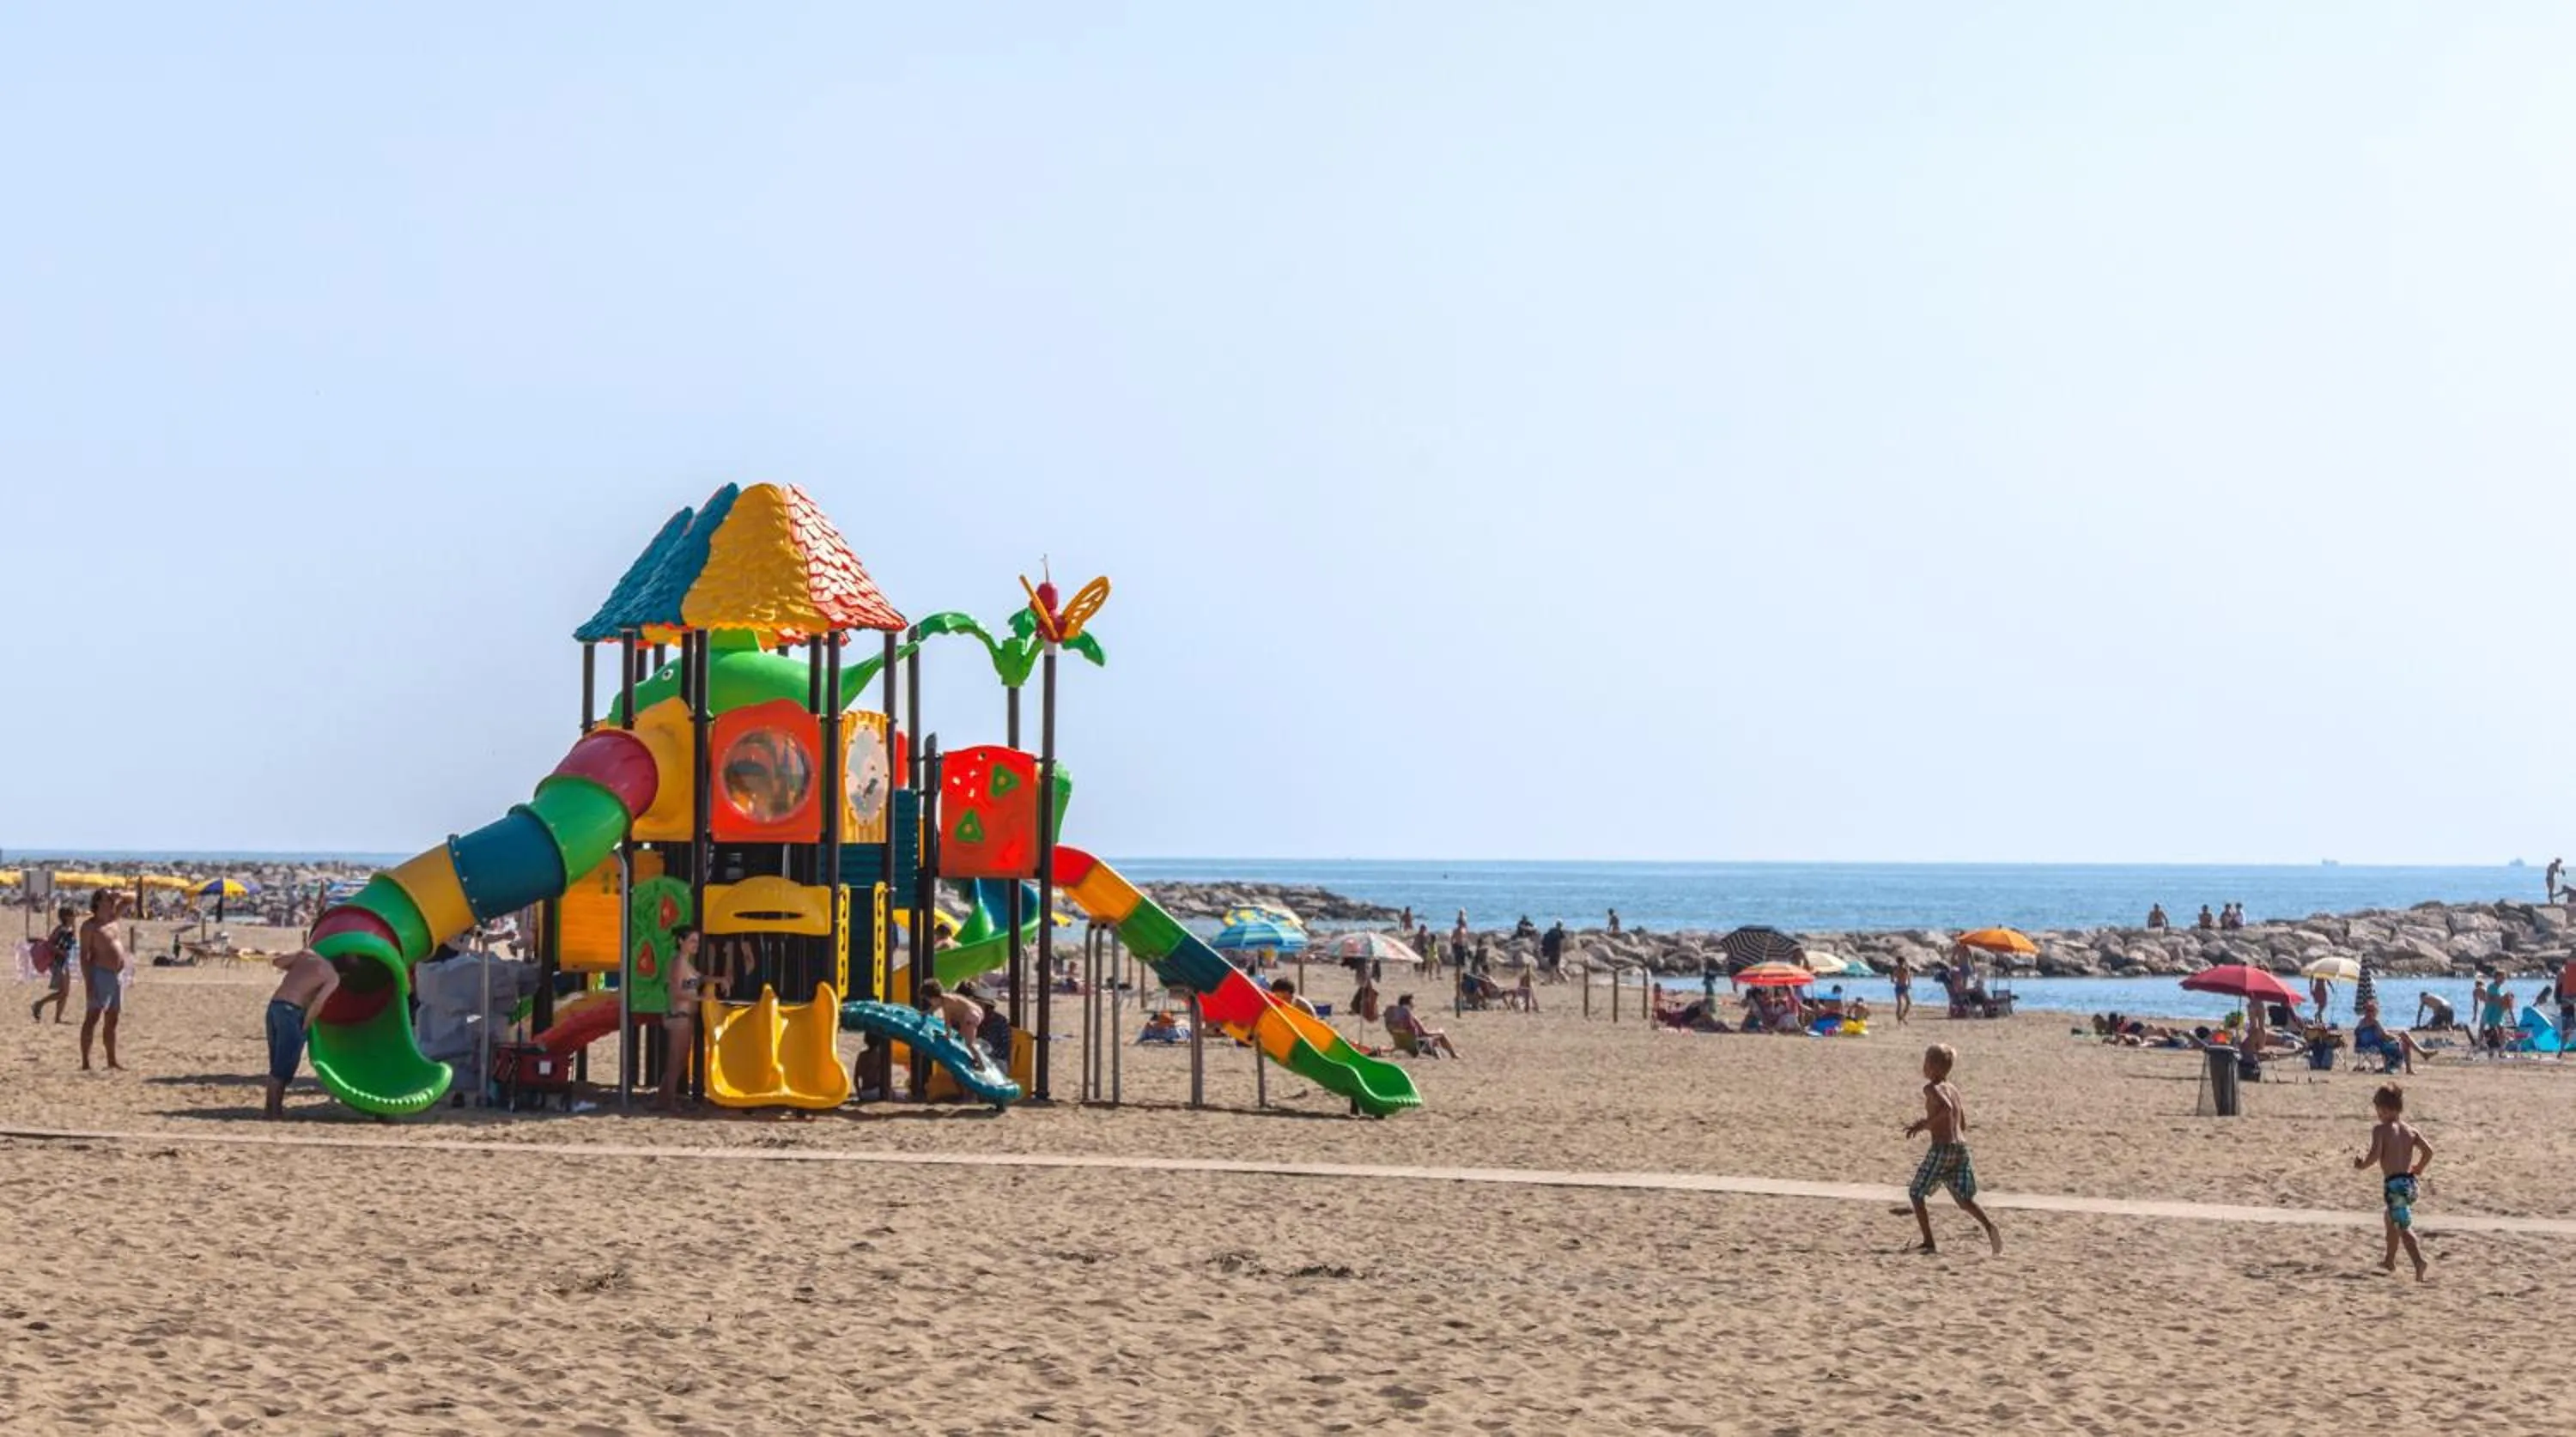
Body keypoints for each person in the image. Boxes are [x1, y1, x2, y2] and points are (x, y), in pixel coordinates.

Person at [1901, 1044, 2001, 1255]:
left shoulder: (1931, 1088)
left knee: (1916, 1193)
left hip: (1942, 1148)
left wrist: (1925, 1125)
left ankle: (1929, 1242)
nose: (1923, 1067)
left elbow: (1946, 1109)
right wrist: (1937, 1125)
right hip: (1960, 1148)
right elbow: (1962, 1123)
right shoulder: (1954, 1089)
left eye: (1926, 1063)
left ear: (1934, 1068)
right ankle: (1989, 1226)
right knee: (1963, 1199)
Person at [2354, 1082, 2433, 1281]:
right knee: (2390, 1218)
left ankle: (2418, 1261)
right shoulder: (2410, 1131)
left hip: (2395, 1185)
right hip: (2410, 1183)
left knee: (2402, 1226)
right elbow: (2429, 1151)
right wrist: (2420, 1167)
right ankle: (2389, 1260)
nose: (2377, 1114)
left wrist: (2362, 1165)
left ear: (2385, 1109)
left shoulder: (2381, 1131)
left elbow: (2374, 1156)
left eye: (2378, 1110)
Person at [262, 949, 341, 1119]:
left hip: (274, 1006)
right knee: (285, 1064)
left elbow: (277, 962)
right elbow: (318, 1003)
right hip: (292, 1011)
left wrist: (298, 963)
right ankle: (274, 1112)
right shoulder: (332, 976)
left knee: (276, 1061)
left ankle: (270, 1108)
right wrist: (306, 1025)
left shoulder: (308, 955)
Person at [658, 924, 716, 1112]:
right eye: (692, 941)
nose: (695, 944)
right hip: (679, 1016)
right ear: (681, 941)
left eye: (697, 941)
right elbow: (677, 992)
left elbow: (700, 978)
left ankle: (663, 1098)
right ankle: (669, 1101)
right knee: (675, 1061)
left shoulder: (687, 963)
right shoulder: (677, 963)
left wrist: (720, 980)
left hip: (685, 1017)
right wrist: (701, 997)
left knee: (680, 1061)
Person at [78, 889, 129, 1071]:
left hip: (117, 976)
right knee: (92, 1017)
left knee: (113, 1018)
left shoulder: (113, 919)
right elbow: (84, 956)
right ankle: (85, 1062)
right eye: (107, 899)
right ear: (98, 902)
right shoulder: (90, 926)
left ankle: (111, 1060)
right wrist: (89, 982)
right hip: (100, 974)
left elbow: (133, 898)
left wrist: (118, 894)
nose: (111, 901)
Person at [30, 902, 76, 1024]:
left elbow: (73, 942)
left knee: (65, 992)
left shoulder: (68, 929)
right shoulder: (60, 930)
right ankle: (39, 1004)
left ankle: (58, 1018)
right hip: (57, 962)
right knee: (63, 992)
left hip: (64, 961)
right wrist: (60, 952)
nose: (74, 917)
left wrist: (74, 925)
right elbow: (50, 944)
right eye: (72, 915)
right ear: (66, 916)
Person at [2351, 1001, 2426, 1075]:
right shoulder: (2374, 1021)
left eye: (2371, 1010)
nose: (2370, 1012)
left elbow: (2361, 1034)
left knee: (2404, 1036)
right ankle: (2410, 1067)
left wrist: (2393, 1036)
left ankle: (2422, 1053)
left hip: (2362, 1046)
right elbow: (2384, 1035)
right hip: (2377, 1046)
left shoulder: (2361, 1022)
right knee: (2404, 1039)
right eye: (2369, 1010)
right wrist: (2396, 1038)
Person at [1386, 992, 1458, 1058]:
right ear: (1408, 1003)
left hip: (1400, 1045)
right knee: (1441, 1035)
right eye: (1412, 1002)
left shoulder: (1395, 1018)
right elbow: (1425, 1033)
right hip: (1415, 1046)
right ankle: (1454, 1055)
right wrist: (1439, 1032)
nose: (1413, 1004)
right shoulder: (1411, 1017)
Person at [1892, 955, 1912, 1025]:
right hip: (1903, 987)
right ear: (1903, 962)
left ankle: (1899, 1020)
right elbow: (1909, 978)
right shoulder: (1905, 969)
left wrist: (1897, 981)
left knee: (1899, 1004)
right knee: (1908, 1003)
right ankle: (1903, 1017)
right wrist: (1909, 984)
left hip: (1898, 987)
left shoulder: (1896, 969)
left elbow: (1892, 980)